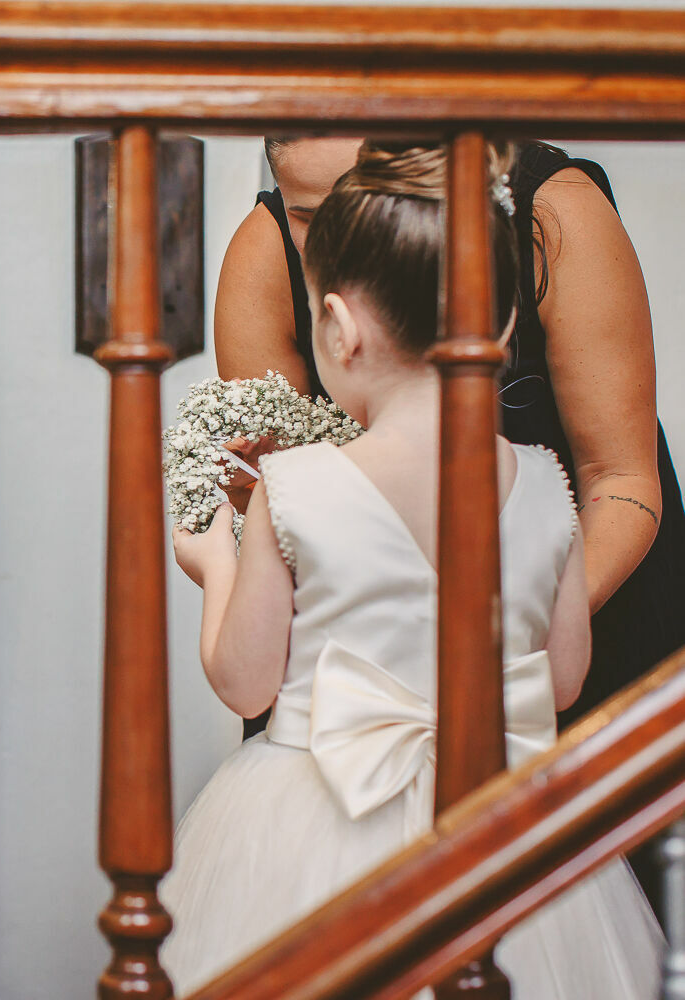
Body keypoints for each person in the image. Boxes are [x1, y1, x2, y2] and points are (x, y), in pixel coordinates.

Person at [163, 142, 660, 997]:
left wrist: (213, 562)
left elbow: (248, 682)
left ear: (338, 327)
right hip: (501, 792)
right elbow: (562, 677)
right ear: (501, 325)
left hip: (318, 805)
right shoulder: (546, 483)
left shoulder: (290, 486)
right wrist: (472, 642)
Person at [217, 137, 684, 740]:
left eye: (372, 200)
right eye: (310, 216)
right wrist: (252, 502)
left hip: (571, 616)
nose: (345, 244)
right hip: (366, 677)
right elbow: (290, 517)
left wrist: (497, 636)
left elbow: (619, 478)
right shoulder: (264, 252)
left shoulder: (553, 212)